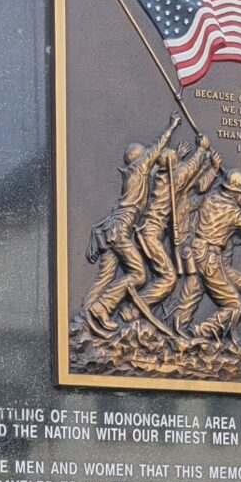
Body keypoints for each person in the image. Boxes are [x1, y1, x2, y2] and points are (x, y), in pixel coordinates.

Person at [82, 113, 180, 335]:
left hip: (110, 230)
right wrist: (172, 127)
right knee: (139, 275)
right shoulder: (138, 169)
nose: (150, 158)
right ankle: (102, 307)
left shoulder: (132, 173)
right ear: (138, 159)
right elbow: (156, 148)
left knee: (105, 277)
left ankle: (85, 317)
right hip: (120, 231)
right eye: (145, 156)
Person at [174, 170, 241, 342]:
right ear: (236, 194)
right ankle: (198, 332)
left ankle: (177, 328)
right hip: (210, 260)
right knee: (236, 307)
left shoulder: (210, 200)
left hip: (195, 254)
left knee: (196, 290)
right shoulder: (234, 214)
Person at [136, 132, 213, 311]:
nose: (177, 159)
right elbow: (189, 169)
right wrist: (202, 148)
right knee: (169, 278)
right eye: (175, 158)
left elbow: (186, 176)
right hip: (150, 235)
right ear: (172, 164)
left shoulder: (162, 177)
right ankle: (132, 310)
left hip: (151, 232)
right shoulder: (173, 178)